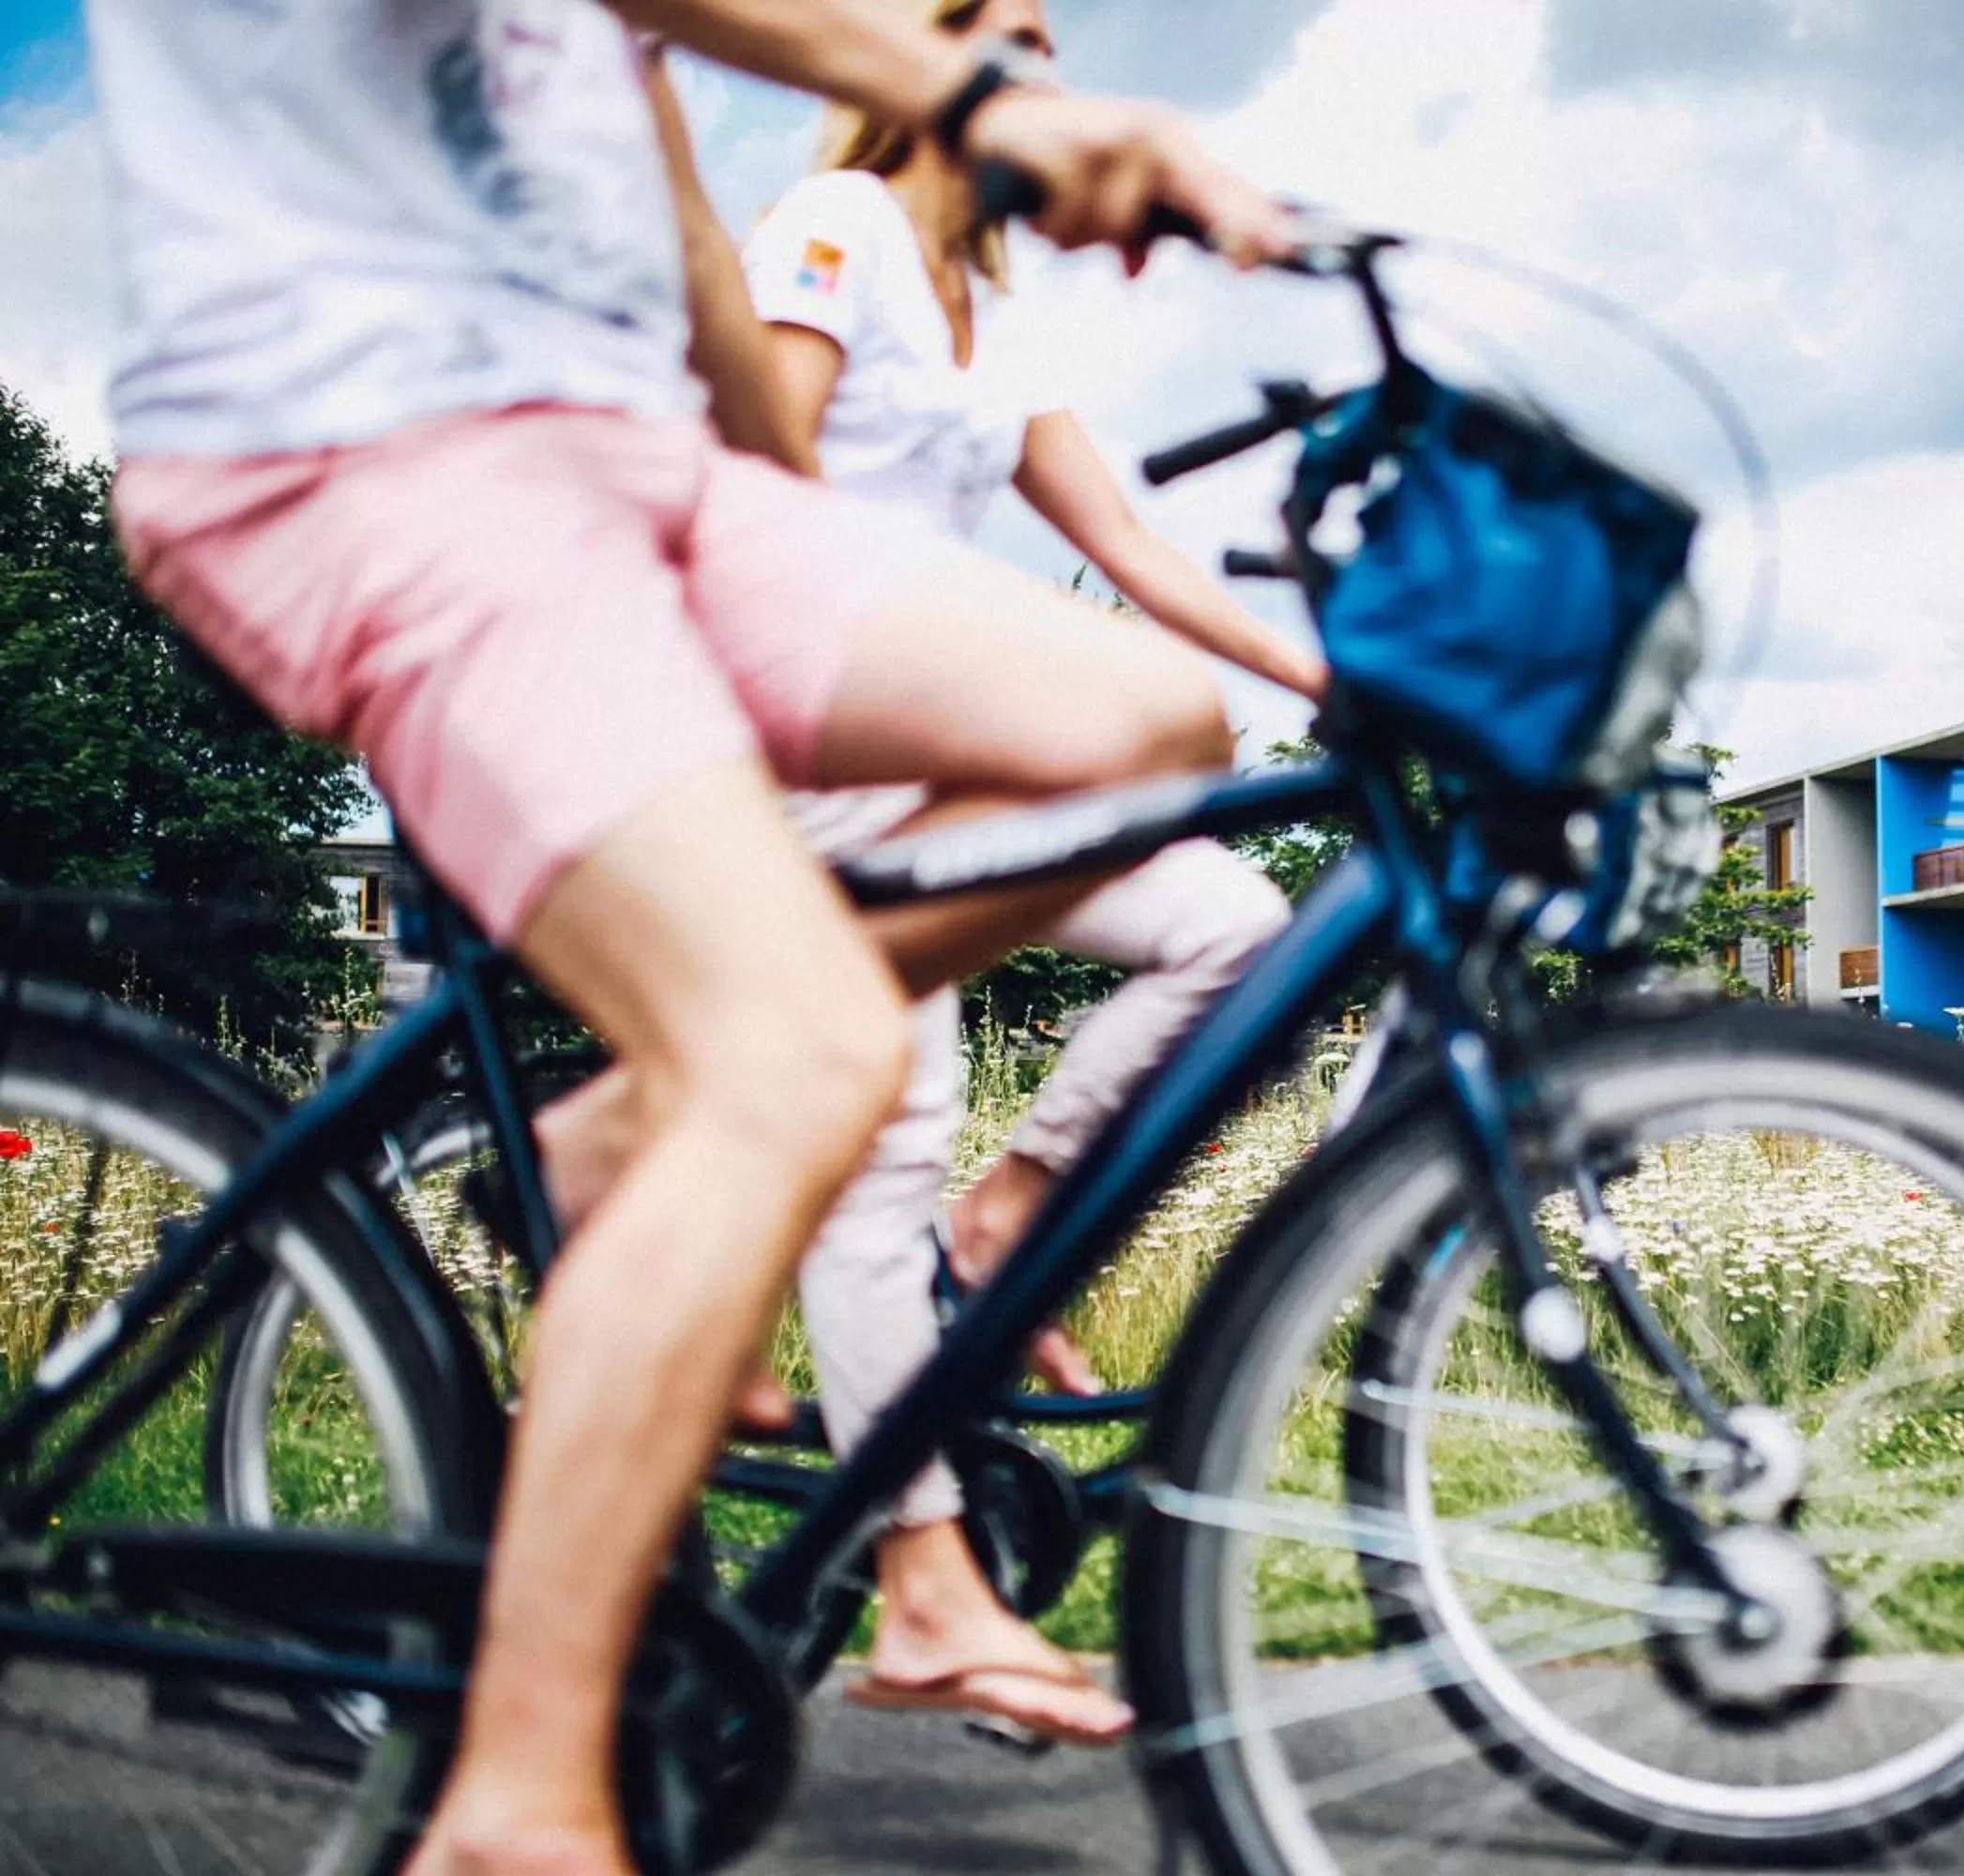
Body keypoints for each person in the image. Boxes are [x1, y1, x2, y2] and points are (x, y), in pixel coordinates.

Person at [82, 1, 1291, 1869]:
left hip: (631, 480)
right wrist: (949, 93)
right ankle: (514, 1808)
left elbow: (696, 249)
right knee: (813, 1048)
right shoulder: (884, 186)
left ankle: (615, 1131)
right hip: (359, 443)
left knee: (1141, 730)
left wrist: (811, 586)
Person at [739, 0, 1321, 1748]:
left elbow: (1131, 548)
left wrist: (1326, 677)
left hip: (959, 768)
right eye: (992, 25)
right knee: (883, 1119)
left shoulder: (997, 315)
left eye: (1049, 33)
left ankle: (1004, 1220)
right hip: (822, 753)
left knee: (1235, 927)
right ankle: (924, 1573)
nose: (1035, 59)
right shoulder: (826, 232)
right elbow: (759, 492)